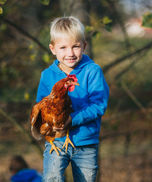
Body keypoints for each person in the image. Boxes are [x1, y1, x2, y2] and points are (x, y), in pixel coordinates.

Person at [35, 16, 109, 182]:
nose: (70, 53)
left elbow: (98, 105)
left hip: (85, 141)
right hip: (57, 139)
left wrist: (72, 119)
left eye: (75, 46)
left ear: (84, 45)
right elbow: (42, 106)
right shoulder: (47, 75)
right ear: (53, 49)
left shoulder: (93, 71)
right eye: (63, 47)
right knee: (51, 178)